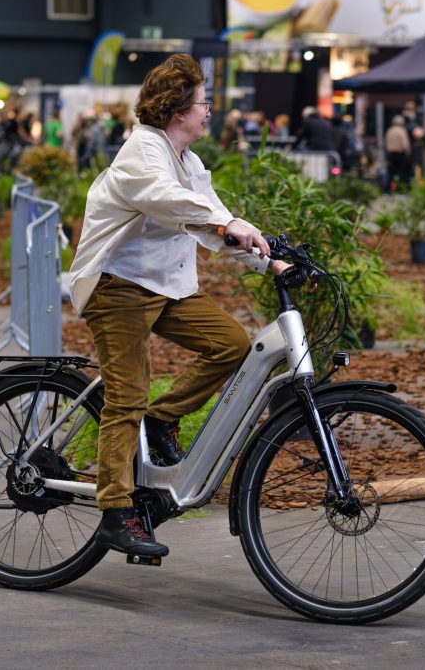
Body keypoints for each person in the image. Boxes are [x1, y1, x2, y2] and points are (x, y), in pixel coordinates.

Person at [67, 54, 291, 558]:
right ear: (175, 111)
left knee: (232, 344)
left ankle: (161, 419)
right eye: (203, 102)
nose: (209, 111)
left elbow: (216, 221)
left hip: (166, 287)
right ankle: (116, 512)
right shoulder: (141, 154)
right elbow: (171, 202)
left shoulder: (188, 162)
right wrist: (225, 225)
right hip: (118, 284)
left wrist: (272, 262)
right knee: (126, 396)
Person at [384, 114, 412, 190]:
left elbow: (386, 142)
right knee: (401, 172)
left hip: (390, 154)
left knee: (391, 172)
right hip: (400, 154)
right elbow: (405, 144)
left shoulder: (389, 130)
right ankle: (400, 188)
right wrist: (408, 153)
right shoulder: (401, 131)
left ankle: (387, 188)